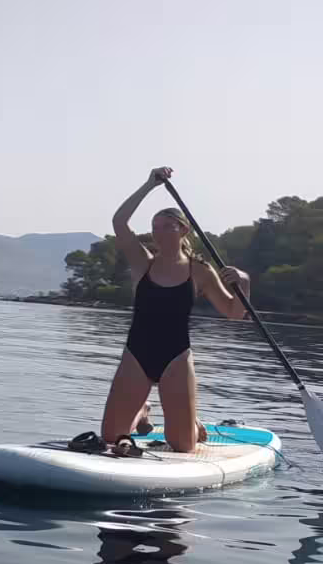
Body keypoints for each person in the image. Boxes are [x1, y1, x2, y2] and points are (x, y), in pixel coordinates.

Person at [96, 167, 250, 454]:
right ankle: (142, 412)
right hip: (136, 352)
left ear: (184, 230)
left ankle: (192, 423)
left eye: (167, 226)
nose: (160, 232)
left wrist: (244, 281)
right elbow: (119, 222)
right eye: (155, 227)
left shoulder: (200, 270)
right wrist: (149, 184)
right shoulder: (143, 262)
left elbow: (233, 312)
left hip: (176, 357)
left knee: (183, 446)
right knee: (109, 436)